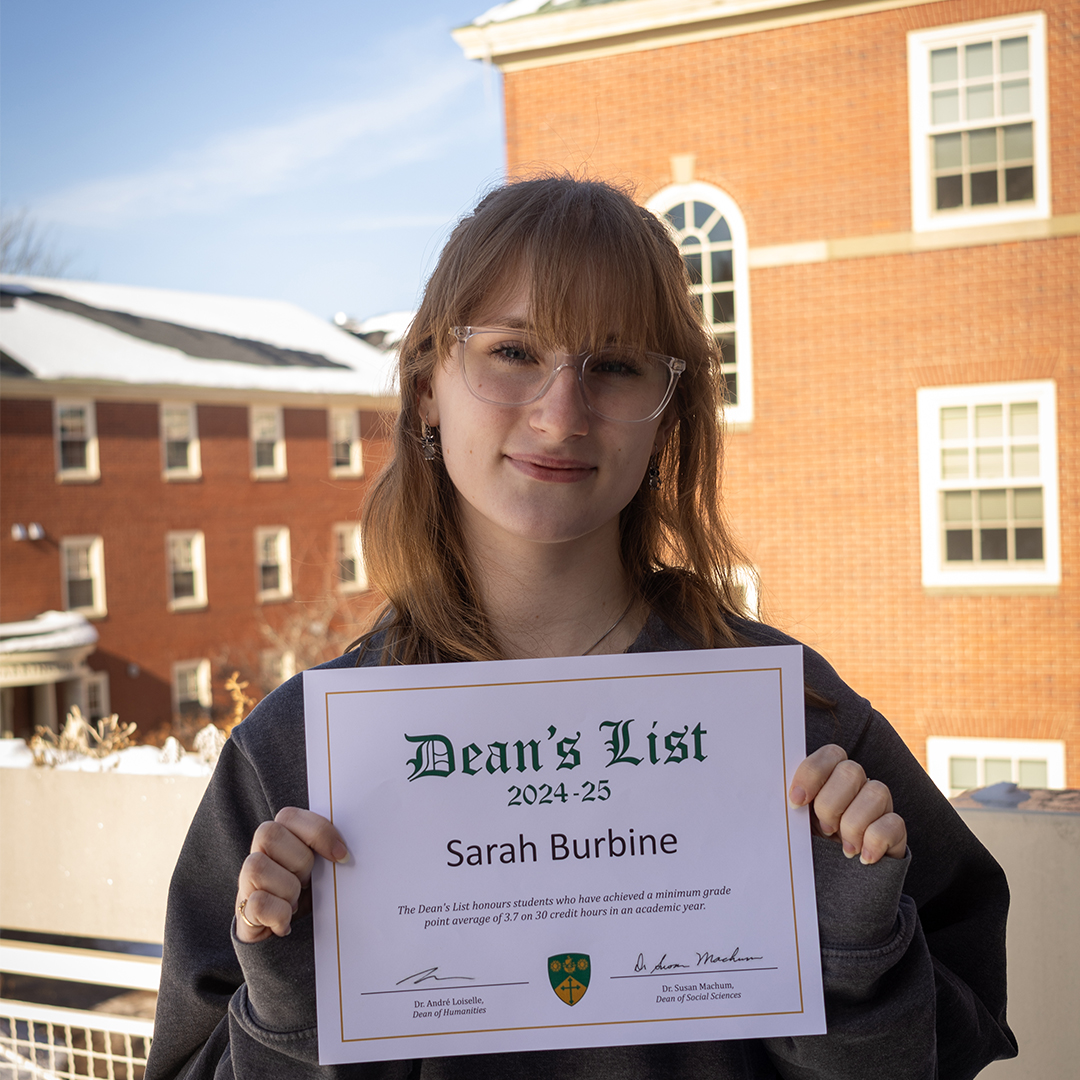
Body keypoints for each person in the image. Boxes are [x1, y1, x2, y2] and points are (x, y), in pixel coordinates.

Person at [146, 176, 1016, 1079]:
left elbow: (960, 1033)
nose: (562, 415)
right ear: (427, 388)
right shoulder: (296, 757)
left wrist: (852, 956)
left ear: (666, 414)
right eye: (514, 352)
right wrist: (291, 1015)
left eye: (615, 364)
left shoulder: (798, 723)